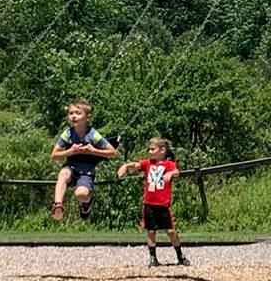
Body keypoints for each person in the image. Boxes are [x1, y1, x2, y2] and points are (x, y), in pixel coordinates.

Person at [120, 136, 187, 266]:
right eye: (149, 149)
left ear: (162, 150)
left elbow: (177, 172)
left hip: (163, 204)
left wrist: (171, 174)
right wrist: (126, 166)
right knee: (151, 231)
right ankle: (153, 257)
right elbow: (136, 165)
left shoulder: (168, 164)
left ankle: (180, 255)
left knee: (170, 231)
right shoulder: (147, 163)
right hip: (149, 203)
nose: (150, 152)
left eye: (152, 149)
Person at [49, 99, 116, 223]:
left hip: (86, 170)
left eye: (78, 113)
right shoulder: (67, 134)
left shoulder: (93, 134)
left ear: (87, 117)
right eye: (71, 113)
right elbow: (54, 156)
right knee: (63, 174)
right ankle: (57, 205)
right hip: (71, 167)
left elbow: (112, 153)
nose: (74, 116)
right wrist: (71, 151)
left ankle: (87, 203)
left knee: (81, 195)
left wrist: (93, 151)